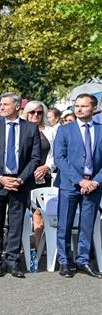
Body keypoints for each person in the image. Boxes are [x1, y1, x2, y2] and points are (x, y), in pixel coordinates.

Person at [0, 92, 41, 278]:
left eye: (5, 104)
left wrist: (20, 179)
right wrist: (0, 178)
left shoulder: (31, 128)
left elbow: (35, 158)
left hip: (19, 183)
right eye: (0, 104)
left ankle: (13, 261)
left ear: (17, 106)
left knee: (16, 224)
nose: (1, 107)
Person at [53, 93, 102, 278]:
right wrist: (80, 181)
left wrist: (95, 181)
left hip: (94, 185)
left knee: (87, 224)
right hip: (69, 184)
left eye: (84, 106)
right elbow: (60, 158)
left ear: (94, 108)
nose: (79, 109)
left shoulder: (101, 129)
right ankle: (65, 261)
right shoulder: (65, 130)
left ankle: (83, 261)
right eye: (77, 106)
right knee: (64, 223)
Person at [22, 100, 55, 271]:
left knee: (39, 212)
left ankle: (37, 246)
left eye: (39, 112)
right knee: (22, 210)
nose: (35, 115)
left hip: (44, 176)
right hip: (24, 177)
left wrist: (46, 167)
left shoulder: (50, 131)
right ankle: (22, 244)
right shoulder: (20, 129)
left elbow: (54, 153)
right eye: (32, 112)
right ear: (26, 113)